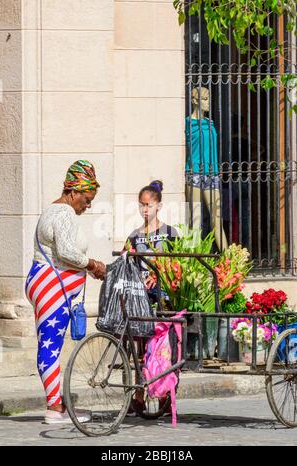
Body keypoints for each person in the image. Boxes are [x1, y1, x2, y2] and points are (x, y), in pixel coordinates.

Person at [25, 160, 106, 425]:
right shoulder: (64, 214)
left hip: (45, 283)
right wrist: (93, 265)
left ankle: (57, 404)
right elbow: (67, 252)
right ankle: (54, 408)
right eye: (87, 198)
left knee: (50, 345)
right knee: (50, 346)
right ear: (73, 192)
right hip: (52, 286)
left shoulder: (52, 209)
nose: (89, 204)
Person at [124, 180, 178, 415]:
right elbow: (129, 263)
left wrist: (160, 275)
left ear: (159, 206)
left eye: (149, 205)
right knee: (139, 346)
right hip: (141, 296)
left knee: (160, 346)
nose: (145, 210)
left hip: (162, 296)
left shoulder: (170, 233)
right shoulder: (135, 236)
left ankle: (165, 392)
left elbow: (177, 262)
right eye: (141, 205)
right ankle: (138, 395)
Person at [185, 86, 228, 251]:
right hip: (194, 172)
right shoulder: (187, 124)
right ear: (195, 101)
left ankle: (229, 260)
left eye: (208, 98)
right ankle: (193, 262)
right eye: (204, 99)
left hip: (212, 173)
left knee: (217, 218)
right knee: (195, 220)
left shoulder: (210, 123)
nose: (208, 102)